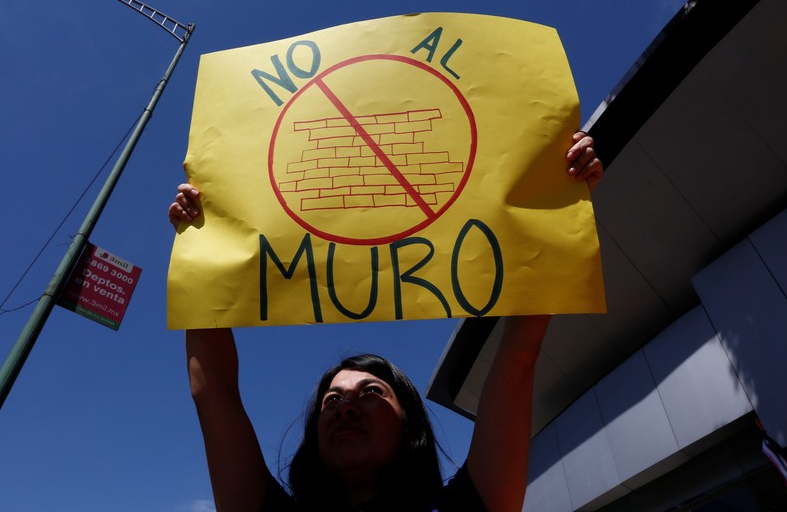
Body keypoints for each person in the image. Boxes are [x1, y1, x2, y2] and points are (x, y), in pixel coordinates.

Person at [171, 132, 603, 511]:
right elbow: (213, 392)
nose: (346, 407)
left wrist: (558, 198)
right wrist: (203, 242)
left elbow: (519, 353)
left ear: (409, 424)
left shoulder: (471, 504)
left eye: (371, 392)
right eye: (331, 401)